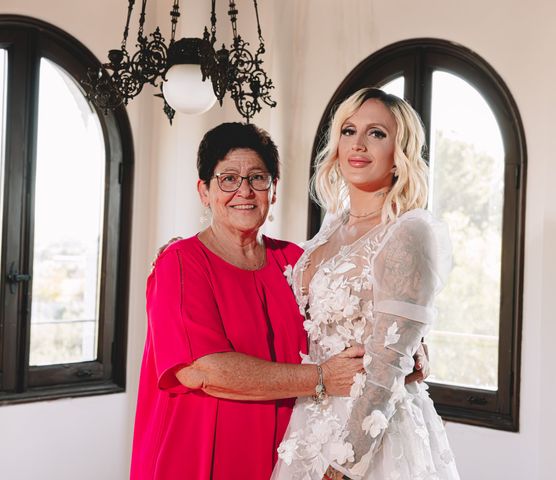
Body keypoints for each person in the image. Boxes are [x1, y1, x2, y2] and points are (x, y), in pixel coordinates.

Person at [129, 122, 427, 480]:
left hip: (281, 459)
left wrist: (408, 346)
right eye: (227, 179)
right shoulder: (179, 262)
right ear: (204, 192)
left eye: (258, 178)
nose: (244, 190)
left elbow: (355, 313)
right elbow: (205, 370)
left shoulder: (296, 262)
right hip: (196, 458)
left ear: (273, 191)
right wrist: (321, 377)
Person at [271, 88, 460, 480]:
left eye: (376, 133)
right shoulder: (330, 229)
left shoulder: (409, 232)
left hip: (373, 434)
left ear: (400, 151)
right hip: (310, 420)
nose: (358, 144)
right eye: (349, 130)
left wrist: (344, 465)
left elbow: (389, 365)